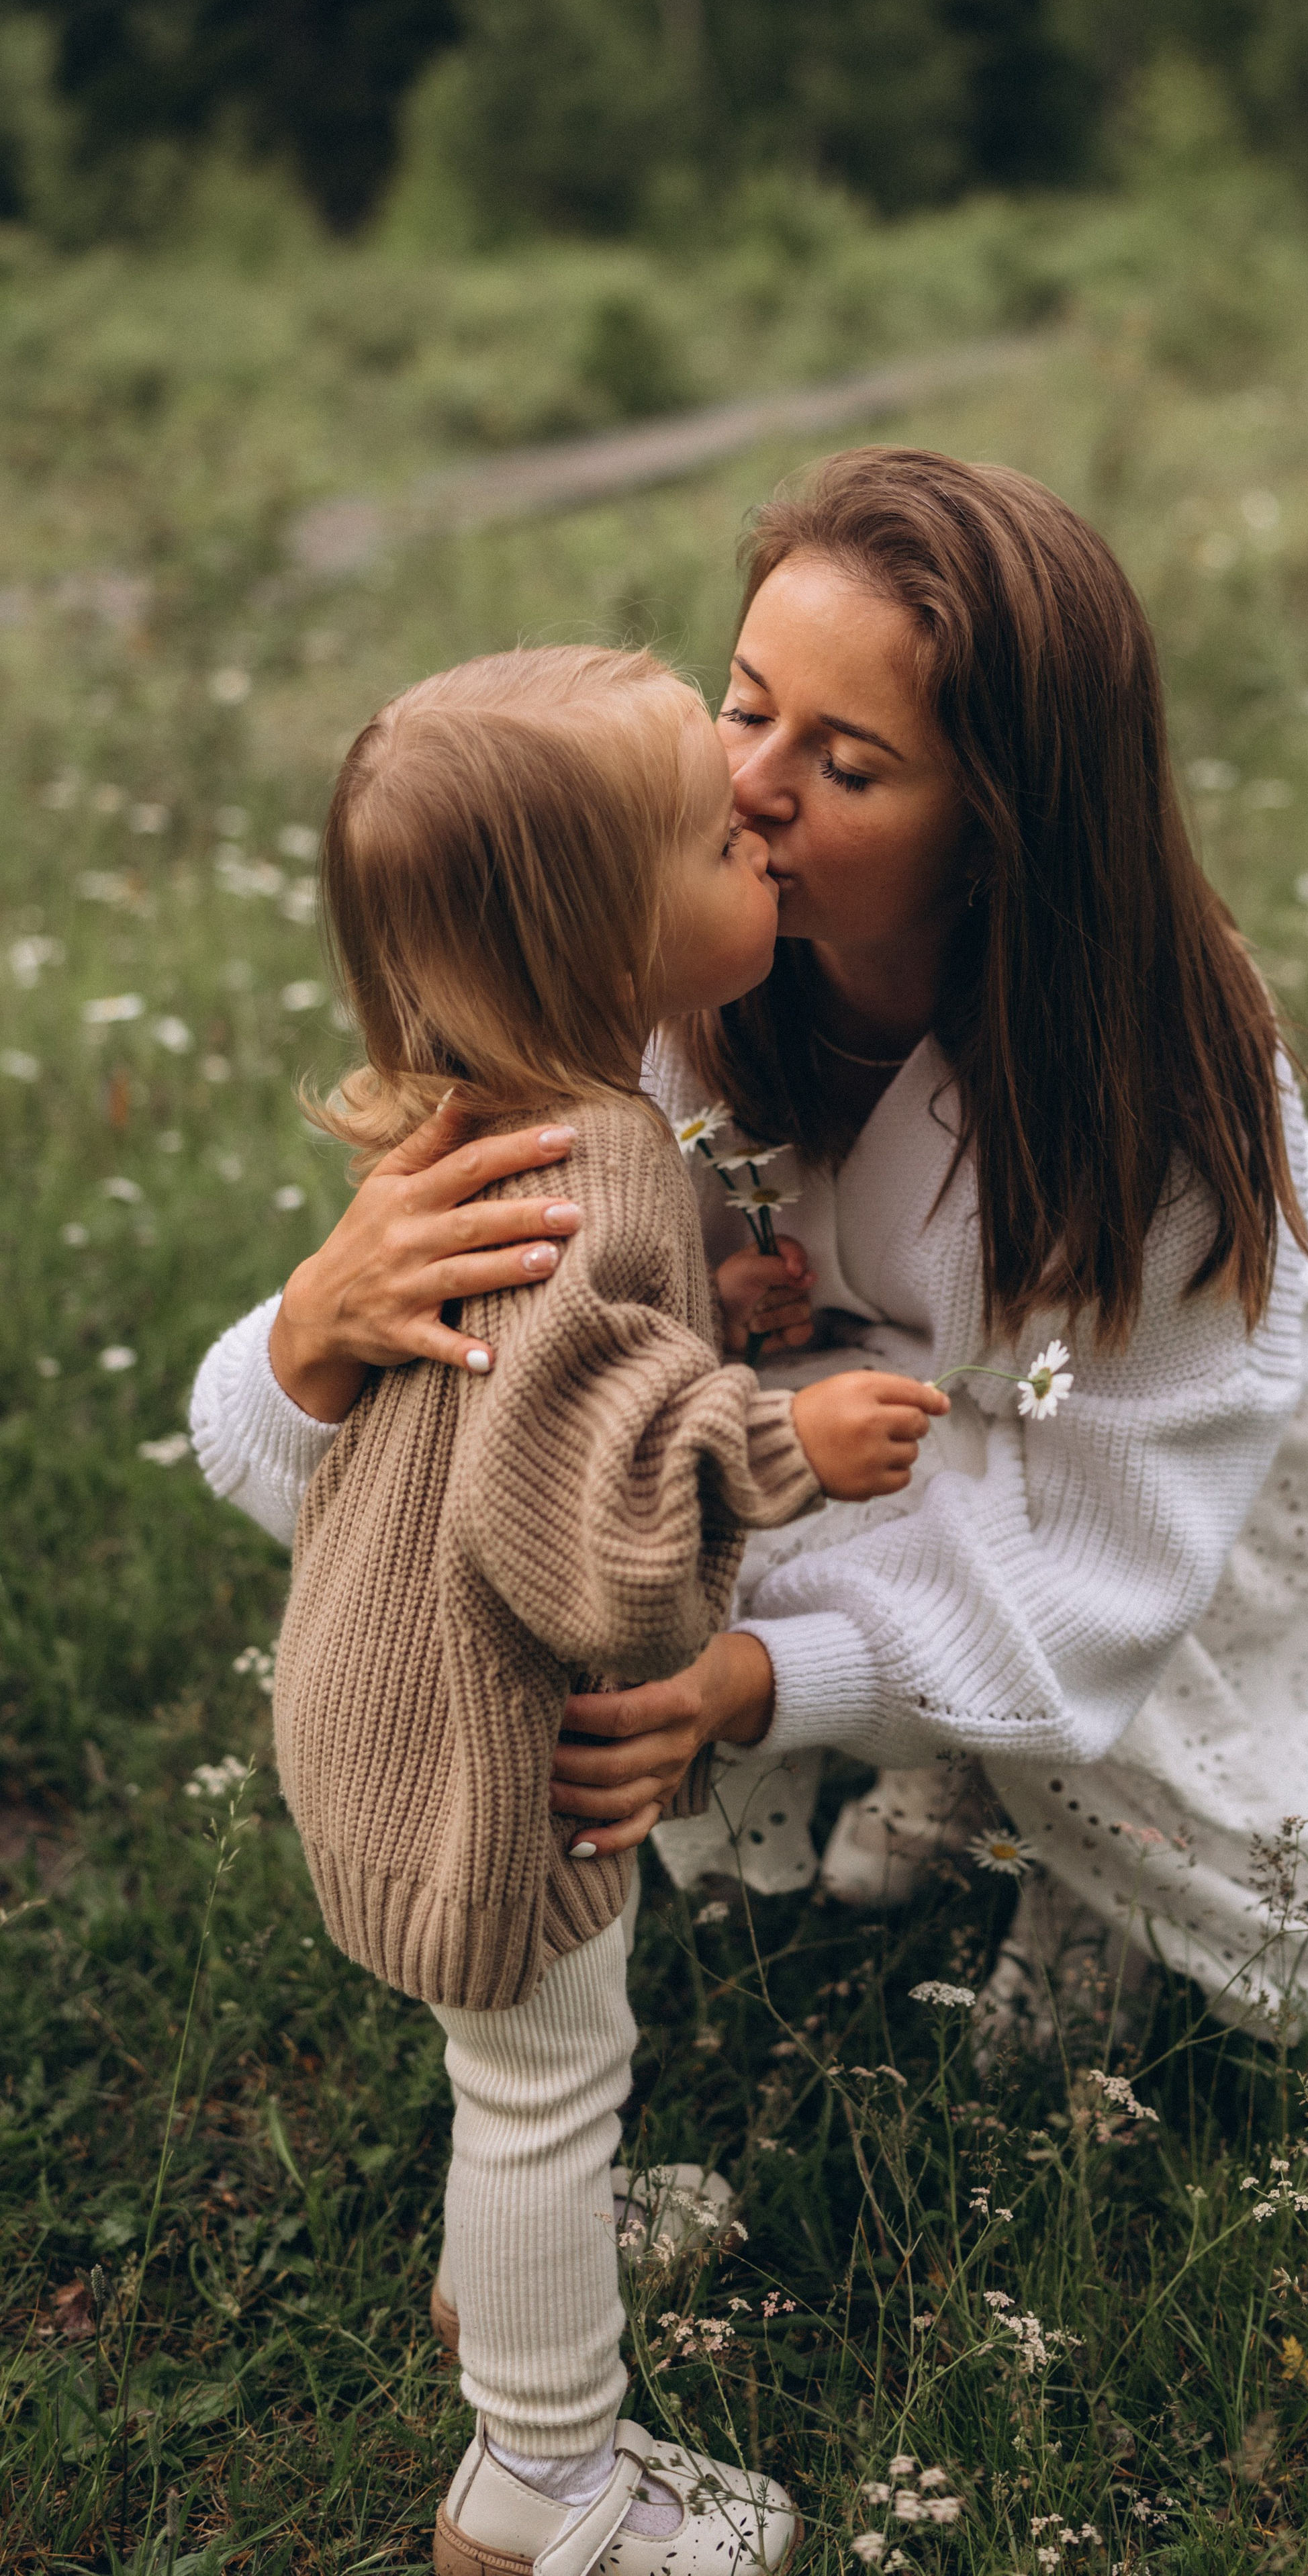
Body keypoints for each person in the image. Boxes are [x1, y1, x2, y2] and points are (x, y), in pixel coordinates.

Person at [193, 444, 1308, 2057]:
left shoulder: (1151, 1093)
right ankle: (931, 1761)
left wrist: (747, 1685)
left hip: (1158, 1447)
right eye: (743, 704)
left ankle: (1078, 1881)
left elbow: (1099, 1573)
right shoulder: (656, 974)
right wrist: (315, 1331)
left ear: (999, 827)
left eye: (844, 765)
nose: (746, 789)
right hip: (849, 1405)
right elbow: (406, 1448)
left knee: (1087, 1712)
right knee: (673, 1503)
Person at [261, 638, 949, 2576]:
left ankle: (514, 2284)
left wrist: (695, 1319)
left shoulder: (507, 1111)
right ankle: (541, 2484)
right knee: (545, 2079)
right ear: (603, 944)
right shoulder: (605, 1166)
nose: (761, 817)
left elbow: (536, 1370)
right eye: (716, 834)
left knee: (529, 2073)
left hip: (392, 1695)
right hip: (491, 1749)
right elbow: (585, 1541)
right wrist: (773, 1432)